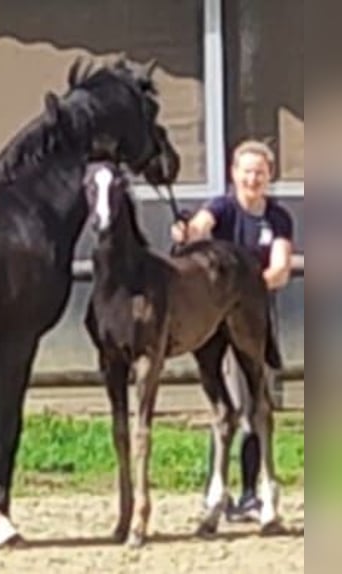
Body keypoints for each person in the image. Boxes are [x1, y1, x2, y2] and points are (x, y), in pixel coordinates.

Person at [170, 139, 295, 521]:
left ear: (269, 176)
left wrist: (248, 286)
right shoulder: (222, 207)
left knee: (252, 398)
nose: (253, 178)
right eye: (247, 171)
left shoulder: (277, 218)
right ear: (234, 174)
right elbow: (202, 226)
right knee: (225, 401)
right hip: (216, 314)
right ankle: (218, 488)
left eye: (260, 172)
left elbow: (280, 269)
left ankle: (250, 492)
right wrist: (187, 231)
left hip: (252, 311)